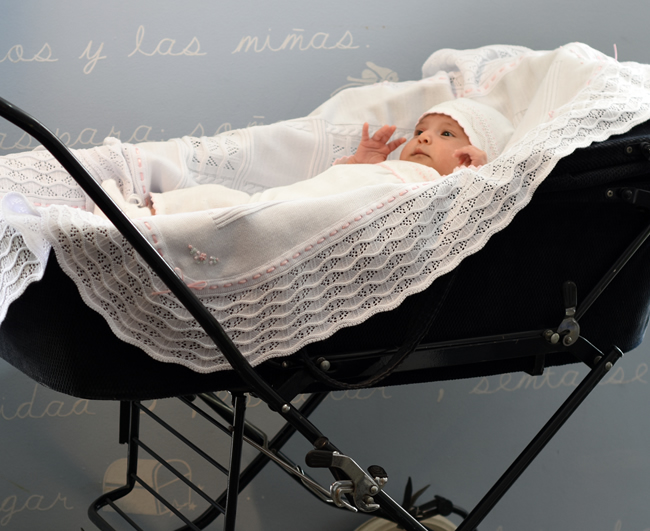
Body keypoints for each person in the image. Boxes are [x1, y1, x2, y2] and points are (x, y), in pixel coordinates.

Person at [95, 98, 514, 218]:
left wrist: (479, 166)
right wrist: (364, 160)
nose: (423, 137)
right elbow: (343, 182)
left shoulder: (450, 183)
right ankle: (147, 212)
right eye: (421, 129)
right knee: (232, 204)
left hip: (320, 217)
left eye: (446, 134)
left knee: (237, 215)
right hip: (300, 199)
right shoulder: (395, 167)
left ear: (470, 153)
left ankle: (145, 221)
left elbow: (479, 197)